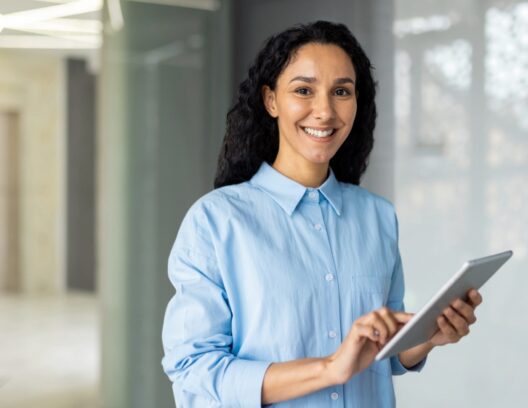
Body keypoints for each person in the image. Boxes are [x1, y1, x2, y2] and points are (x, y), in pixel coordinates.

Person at [161, 20, 482, 407]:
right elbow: (194, 370)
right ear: (271, 100)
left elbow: (389, 354)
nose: (325, 111)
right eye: (303, 90)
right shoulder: (216, 221)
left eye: (341, 91)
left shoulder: (377, 217)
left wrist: (429, 337)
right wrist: (330, 368)